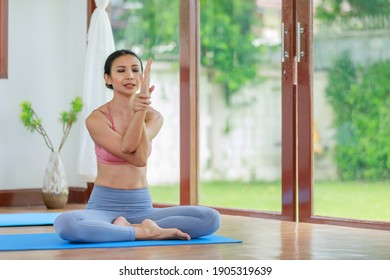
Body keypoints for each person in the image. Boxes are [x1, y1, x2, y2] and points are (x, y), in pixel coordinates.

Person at [54, 49, 220, 243]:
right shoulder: (97, 119)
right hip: (104, 207)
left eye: (135, 70)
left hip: (143, 208)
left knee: (210, 218)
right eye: (121, 70)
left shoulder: (154, 117)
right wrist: (139, 109)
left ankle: (128, 229)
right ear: (108, 79)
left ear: (142, 77)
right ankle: (145, 232)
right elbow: (129, 151)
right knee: (67, 224)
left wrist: (138, 112)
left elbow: (139, 156)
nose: (129, 76)